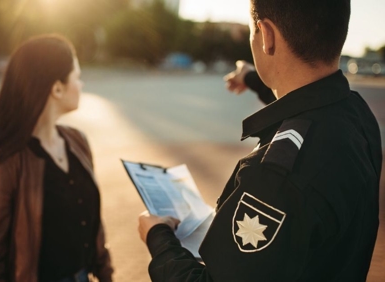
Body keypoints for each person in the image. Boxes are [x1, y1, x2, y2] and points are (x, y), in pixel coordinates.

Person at [138, 0, 382, 281]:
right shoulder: (357, 115)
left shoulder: (272, 178)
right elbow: (309, 108)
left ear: (266, 35)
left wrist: (158, 238)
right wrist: (255, 79)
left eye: (253, 31)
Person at [0, 34, 113, 282]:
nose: (82, 84)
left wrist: (106, 273)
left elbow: (92, 222)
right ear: (56, 88)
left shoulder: (77, 142)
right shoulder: (1, 160)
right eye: (77, 77)